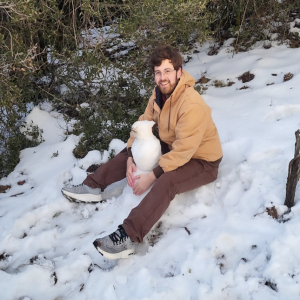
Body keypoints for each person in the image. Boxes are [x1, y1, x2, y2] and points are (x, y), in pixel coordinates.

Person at [61, 45, 223, 260]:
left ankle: (128, 235)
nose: (162, 77)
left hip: (201, 160)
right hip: (173, 145)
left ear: (178, 71)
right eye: (158, 72)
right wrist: (131, 156)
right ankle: (92, 186)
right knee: (136, 147)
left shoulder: (191, 104)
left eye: (167, 71)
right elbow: (141, 126)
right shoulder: (158, 95)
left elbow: (184, 152)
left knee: (168, 181)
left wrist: (151, 176)